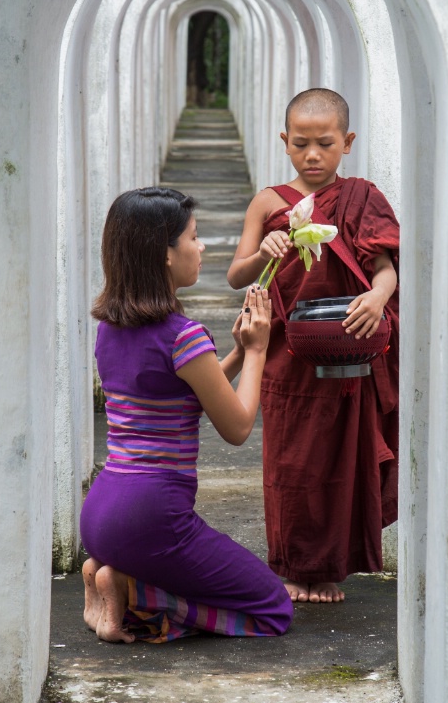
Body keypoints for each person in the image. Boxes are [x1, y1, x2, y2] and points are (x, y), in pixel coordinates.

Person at [80, 186, 292, 644]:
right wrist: (257, 351)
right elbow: (236, 427)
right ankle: (134, 592)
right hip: (152, 518)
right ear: (165, 256)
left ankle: (106, 577)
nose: (202, 247)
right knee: (273, 608)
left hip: (100, 516)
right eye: (193, 238)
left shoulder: (110, 330)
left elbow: (183, 394)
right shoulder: (184, 335)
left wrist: (233, 353)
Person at [226, 88, 400, 604]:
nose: (313, 155)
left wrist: (378, 296)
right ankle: (290, 565)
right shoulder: (268, 201)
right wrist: (263, 250)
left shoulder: (361, 197)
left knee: (340, 460)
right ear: (285, 142)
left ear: (347, 142)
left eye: (325, 143)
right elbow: (236, 275)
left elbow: (384, 267)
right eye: (301, 144)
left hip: (348, 348)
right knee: (290, 463)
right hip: (287, 352)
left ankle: (329, 569)